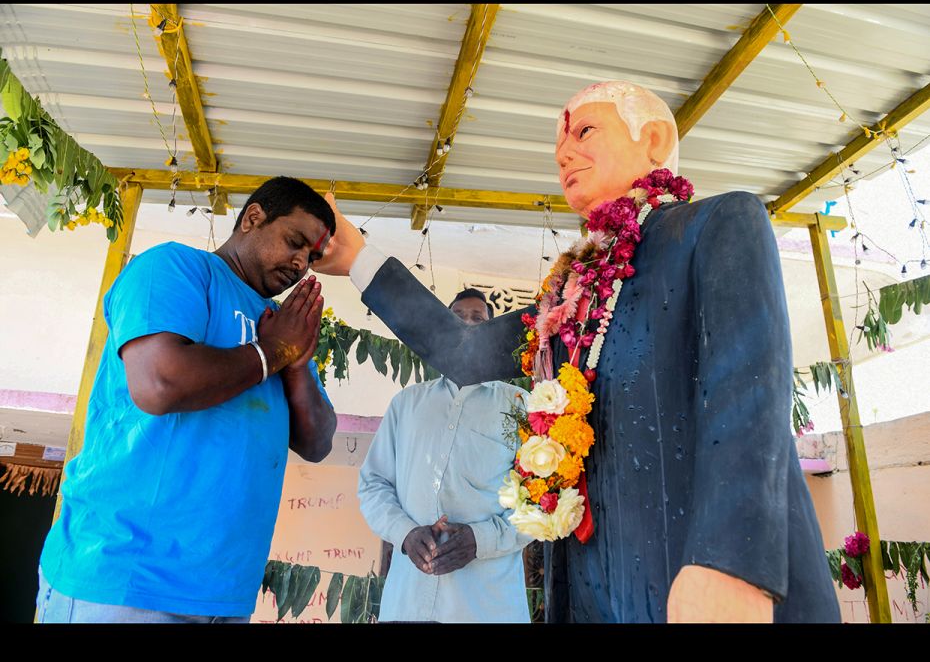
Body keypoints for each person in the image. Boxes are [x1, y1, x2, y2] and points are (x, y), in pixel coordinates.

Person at [314, 81, 841, 623]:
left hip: (705, 576)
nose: (564, 154)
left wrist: (731, 564)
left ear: (654, 140)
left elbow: (749, 396)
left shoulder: (717, 224)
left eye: (584, 131)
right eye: (558, 148)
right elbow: (465, 354)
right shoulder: (571, 291)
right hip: (595, 588)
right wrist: (356, 254)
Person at [37, 176, 338, 623]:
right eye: (294, 241)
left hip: (225, 593)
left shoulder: (280, 323)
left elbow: (317, 442)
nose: (300, 264)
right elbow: (160, 383)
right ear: (253, 217)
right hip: (126, 579)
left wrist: (293, 361)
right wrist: (272, 352)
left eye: (311, 257)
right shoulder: (174, 268)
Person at [358, 288, 533, 623]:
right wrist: (405, 534)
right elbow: (373, 485)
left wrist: (480, 540)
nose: (466, 326)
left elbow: (541, 505)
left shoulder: (519, 406)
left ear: (492, 332)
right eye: (456, 318)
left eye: (478, 319)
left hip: (487, 608)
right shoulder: (406, 404)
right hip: (407, 604)